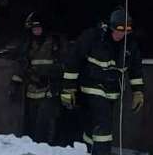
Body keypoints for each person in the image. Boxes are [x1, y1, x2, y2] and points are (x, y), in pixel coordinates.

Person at [61, 9, 145, 155]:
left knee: (92, 127)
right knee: (103, 126)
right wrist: (68, 89)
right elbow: (73, 61)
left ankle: (88, 150)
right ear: (111, 27)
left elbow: (136, 70)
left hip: (112, 92)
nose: (122, 34)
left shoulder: (130, 45)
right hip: (92, 87)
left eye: (126, 31)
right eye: (119, 30)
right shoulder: (92, 38)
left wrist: (138, 91)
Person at [9, 12, 64, 144]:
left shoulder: (54, 43)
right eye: (34, 28)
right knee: (31, 125)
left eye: (38, 28)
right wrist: (14, 85)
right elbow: (21, 66)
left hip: (49, 91)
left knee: (45, 125)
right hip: (32, 90)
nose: (36, 31)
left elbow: (62, 66)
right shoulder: (27, 44)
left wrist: (49, 76)